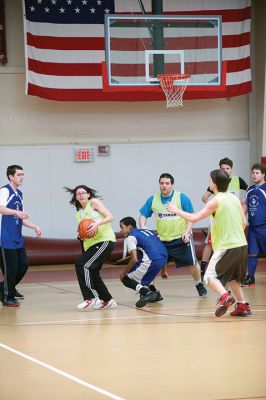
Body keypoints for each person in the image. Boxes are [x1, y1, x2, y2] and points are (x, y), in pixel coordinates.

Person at [166, 169, 251, 317]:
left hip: (227, 245)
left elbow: (194, 218)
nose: (209, 182)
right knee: (232, 278)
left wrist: (175, 210)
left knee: (209, 277)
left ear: (215, 183)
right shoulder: (234, 199)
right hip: (242, 244)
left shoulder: (215, 201)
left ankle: (225, 296)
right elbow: (244, 222)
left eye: (210, 180)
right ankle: (242, 305)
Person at [139, 173, 207, 297]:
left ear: (172, 185)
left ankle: (199, 284)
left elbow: (191, 216)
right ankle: (150, 288)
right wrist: (143, 226)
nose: (164, 186)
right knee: (153, 262)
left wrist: (187, 232)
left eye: (167, 183)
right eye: (161, 183)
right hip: (162, 239)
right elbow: (143, 214)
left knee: (192, 263)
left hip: (181, 237)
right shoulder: (153, 199)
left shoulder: (181, 197)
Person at [65, 185, 117, 311]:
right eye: (78, 194)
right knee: (93, 272)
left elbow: (110, 217)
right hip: (90, 244)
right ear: (76, 197)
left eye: (83, 193)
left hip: (104, 240)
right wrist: (81, 234)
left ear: (88, 194)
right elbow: (84, 231)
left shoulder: (94, 203)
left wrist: (97, 224)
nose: (81, 195)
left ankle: (91, 298)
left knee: (81, 264)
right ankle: (107, 300)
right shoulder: (79, 213)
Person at [0, 165, 42, 307]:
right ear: (11, 176)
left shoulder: (19, 194)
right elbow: (1, 208)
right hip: (4, 237)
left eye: (23, 174)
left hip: (17, 237)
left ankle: (5, 288)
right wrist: (16, 212)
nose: (22, 177)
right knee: (10, 269)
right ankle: (7, 297)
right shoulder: (5, 191)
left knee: (23, 265)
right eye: (19, 175)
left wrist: (34, 226)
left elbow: (22, 217)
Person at [200, 157, 248, 280]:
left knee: (234, 243)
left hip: (233, 218)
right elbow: (204, 196)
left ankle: (234, 270)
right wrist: (212, 208)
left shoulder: (238, 180)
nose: (225, 170)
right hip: (220, 218)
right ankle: (203, 268)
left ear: (231, 169)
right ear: (219, 169)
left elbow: (250, 193)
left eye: (227, 168)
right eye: (223, 169)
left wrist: (243, 202)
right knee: (210, 242)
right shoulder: (217, 182)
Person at [119, 216, 167, 308]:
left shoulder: (131, 237)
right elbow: (161, 247)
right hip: (163, 258)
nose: (121, 230)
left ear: (129, 226)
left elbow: (134, 259)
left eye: (122, 227)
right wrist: (164, 270)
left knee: (126, 279)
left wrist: (123, 273)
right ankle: (155, 294)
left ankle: (147, 293)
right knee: (143, 272)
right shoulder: (147, 231)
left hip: (151, 259)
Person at [241, 163, 266, 286]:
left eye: (257, 173)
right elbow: (245, 205)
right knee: (252, 252)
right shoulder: (249, 189)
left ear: (263, 174)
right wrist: (240, 218)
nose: (254, 175)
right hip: (252, 228)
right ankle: (250, 277)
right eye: (253, 173)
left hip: (264, 227)